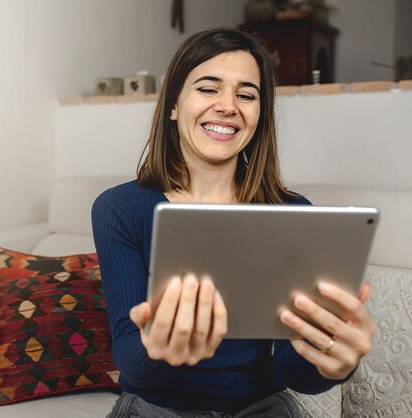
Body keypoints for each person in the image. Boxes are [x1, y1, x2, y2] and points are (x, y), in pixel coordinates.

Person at [91, 28, 375, 417]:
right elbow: (131, 361)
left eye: (246, 95)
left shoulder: (295, 214)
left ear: (260, 114)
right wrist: (155, 346)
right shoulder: (119, 208)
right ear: (173, 105)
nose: (228, 106)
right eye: (208, 89)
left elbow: (297, 373)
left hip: (260, 408)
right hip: (157, 407)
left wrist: (333, 363)